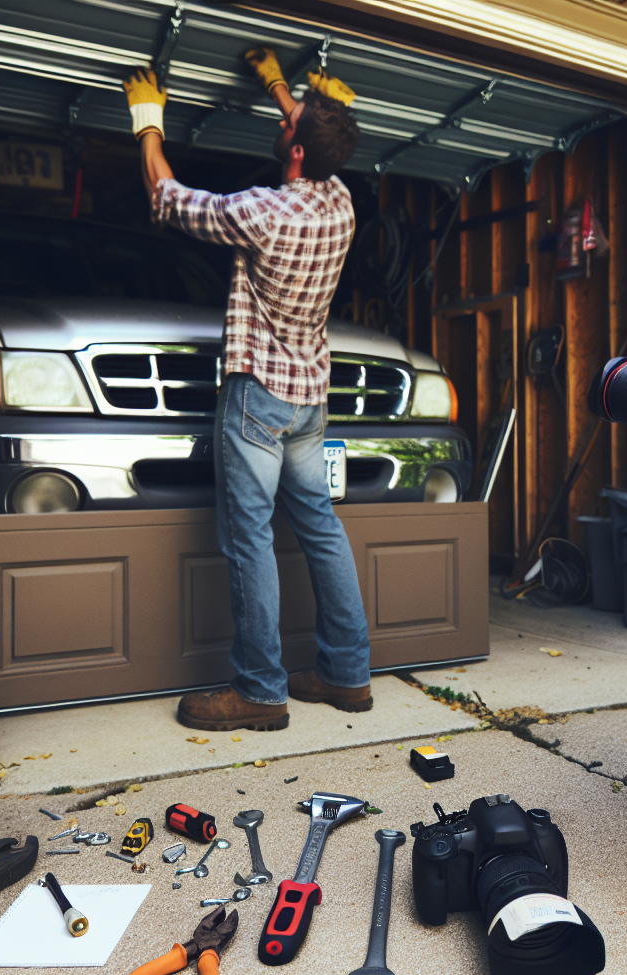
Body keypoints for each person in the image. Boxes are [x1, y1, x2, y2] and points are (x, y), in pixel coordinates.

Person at [124, 49, 372, 732]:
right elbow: (310, 129)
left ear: (293, 148)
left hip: (257, 397)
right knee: (322, 530)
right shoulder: (340, 201)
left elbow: (166, 198)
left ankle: (260, 692)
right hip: (308, 402)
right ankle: (348, 677)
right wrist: (275, 85)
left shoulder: (261, 212)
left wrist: (149, 122)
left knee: (250, 541)